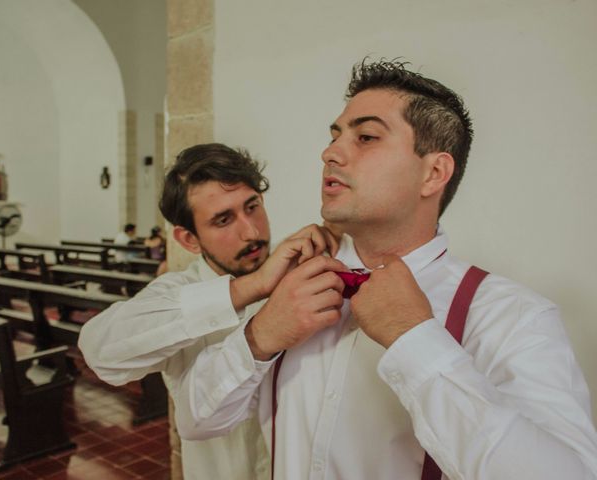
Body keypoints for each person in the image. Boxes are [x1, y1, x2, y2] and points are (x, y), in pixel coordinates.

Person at [172, 60, 597, 479]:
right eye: (336, 136)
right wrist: (260, 335)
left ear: (433, 173)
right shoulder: (290, 286)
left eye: (367, 137)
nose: (330, 152)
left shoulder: (514, 318)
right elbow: (196, 422)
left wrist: (415, 341)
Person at [78, 143, 339, 480]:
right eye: (223, 219)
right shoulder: (177, 292)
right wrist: (253, 285)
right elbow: (101, 352)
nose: (252, 231)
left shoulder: (300, 274)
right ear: (189, 240)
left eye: (252, 206)